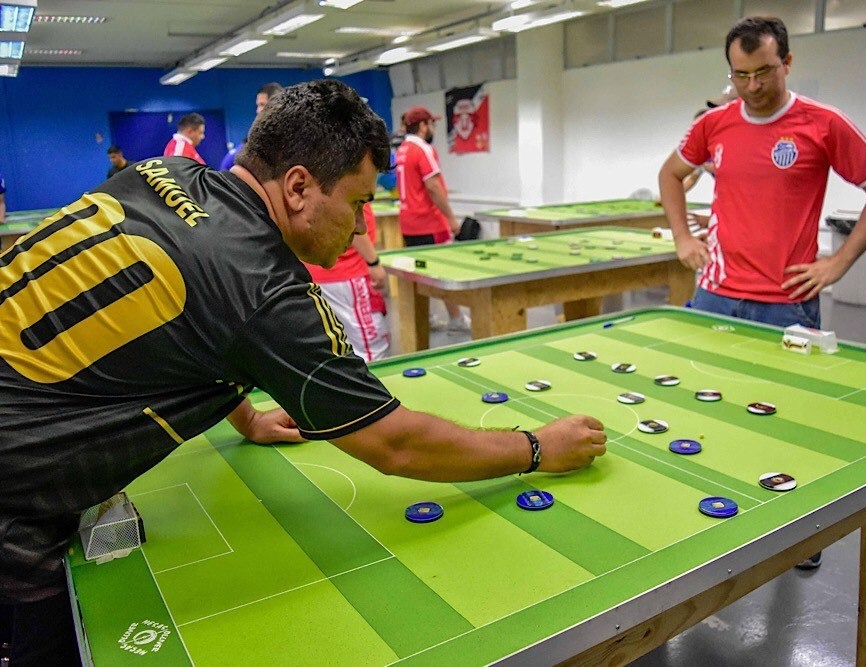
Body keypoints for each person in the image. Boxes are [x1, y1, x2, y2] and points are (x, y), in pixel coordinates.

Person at [0, 79, 606, 664]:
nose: (362, 226)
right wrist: (535, 448)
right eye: (359, 201)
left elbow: (184, 327)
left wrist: (246, 416)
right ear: (297, 187)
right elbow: (394, 444)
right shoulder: (266, 290)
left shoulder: (162, 174)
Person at [658, 16, 866, 568]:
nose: (752, 86)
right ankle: (705, 514)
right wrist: (680, 238)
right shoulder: (714, 126)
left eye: (764, 71)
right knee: (704, 409)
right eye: (740, 74)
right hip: (715, 296)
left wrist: (839, 260)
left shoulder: (823, 123)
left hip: (787, 303)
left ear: (787, 63)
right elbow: (670, 175)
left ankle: (797, 535)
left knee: (787, 422)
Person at [395, 105, 469, 333]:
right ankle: (456, 319)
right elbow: (434, 187)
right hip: (429, 222)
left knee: (419, 273)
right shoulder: (423, 149)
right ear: (423, 126)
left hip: (409, 223)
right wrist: (452, 220)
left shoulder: (402, 151)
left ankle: (425, 317)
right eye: (431, 124)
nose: (433, 128)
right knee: (443, 271)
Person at [306, 202, 391, 362]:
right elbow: (349, 219)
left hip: (321, 272)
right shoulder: (347, 180)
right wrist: (373, 262)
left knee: (335, 345)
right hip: (347, 273)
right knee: (371, 349)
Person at [220, 82, 283, 171]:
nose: (258, 110)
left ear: (276, 105)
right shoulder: (255, 139)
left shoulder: (286, 138)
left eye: (262, 104)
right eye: (258, 105)